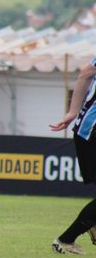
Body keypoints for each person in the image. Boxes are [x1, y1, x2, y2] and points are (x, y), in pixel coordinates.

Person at [49, 56, 96, 255]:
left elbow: (86, 74)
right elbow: (86, 73)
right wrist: (72, 112)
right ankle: (66, 239)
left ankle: (90, 224)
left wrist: (72, 112)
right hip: (91, 130)